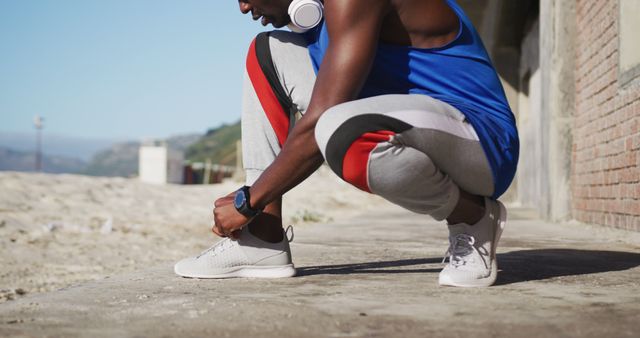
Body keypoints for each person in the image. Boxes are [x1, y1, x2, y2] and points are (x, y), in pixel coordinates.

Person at [174, 0, 519, 287]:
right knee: (268, 53)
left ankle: (472, 217)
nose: (244, 6)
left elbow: (320, 122)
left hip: (480, 142)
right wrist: (256, 210)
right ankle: (262, 241)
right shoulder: (326, 16)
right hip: (409, 120)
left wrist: (246, 201)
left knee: (339, 129)